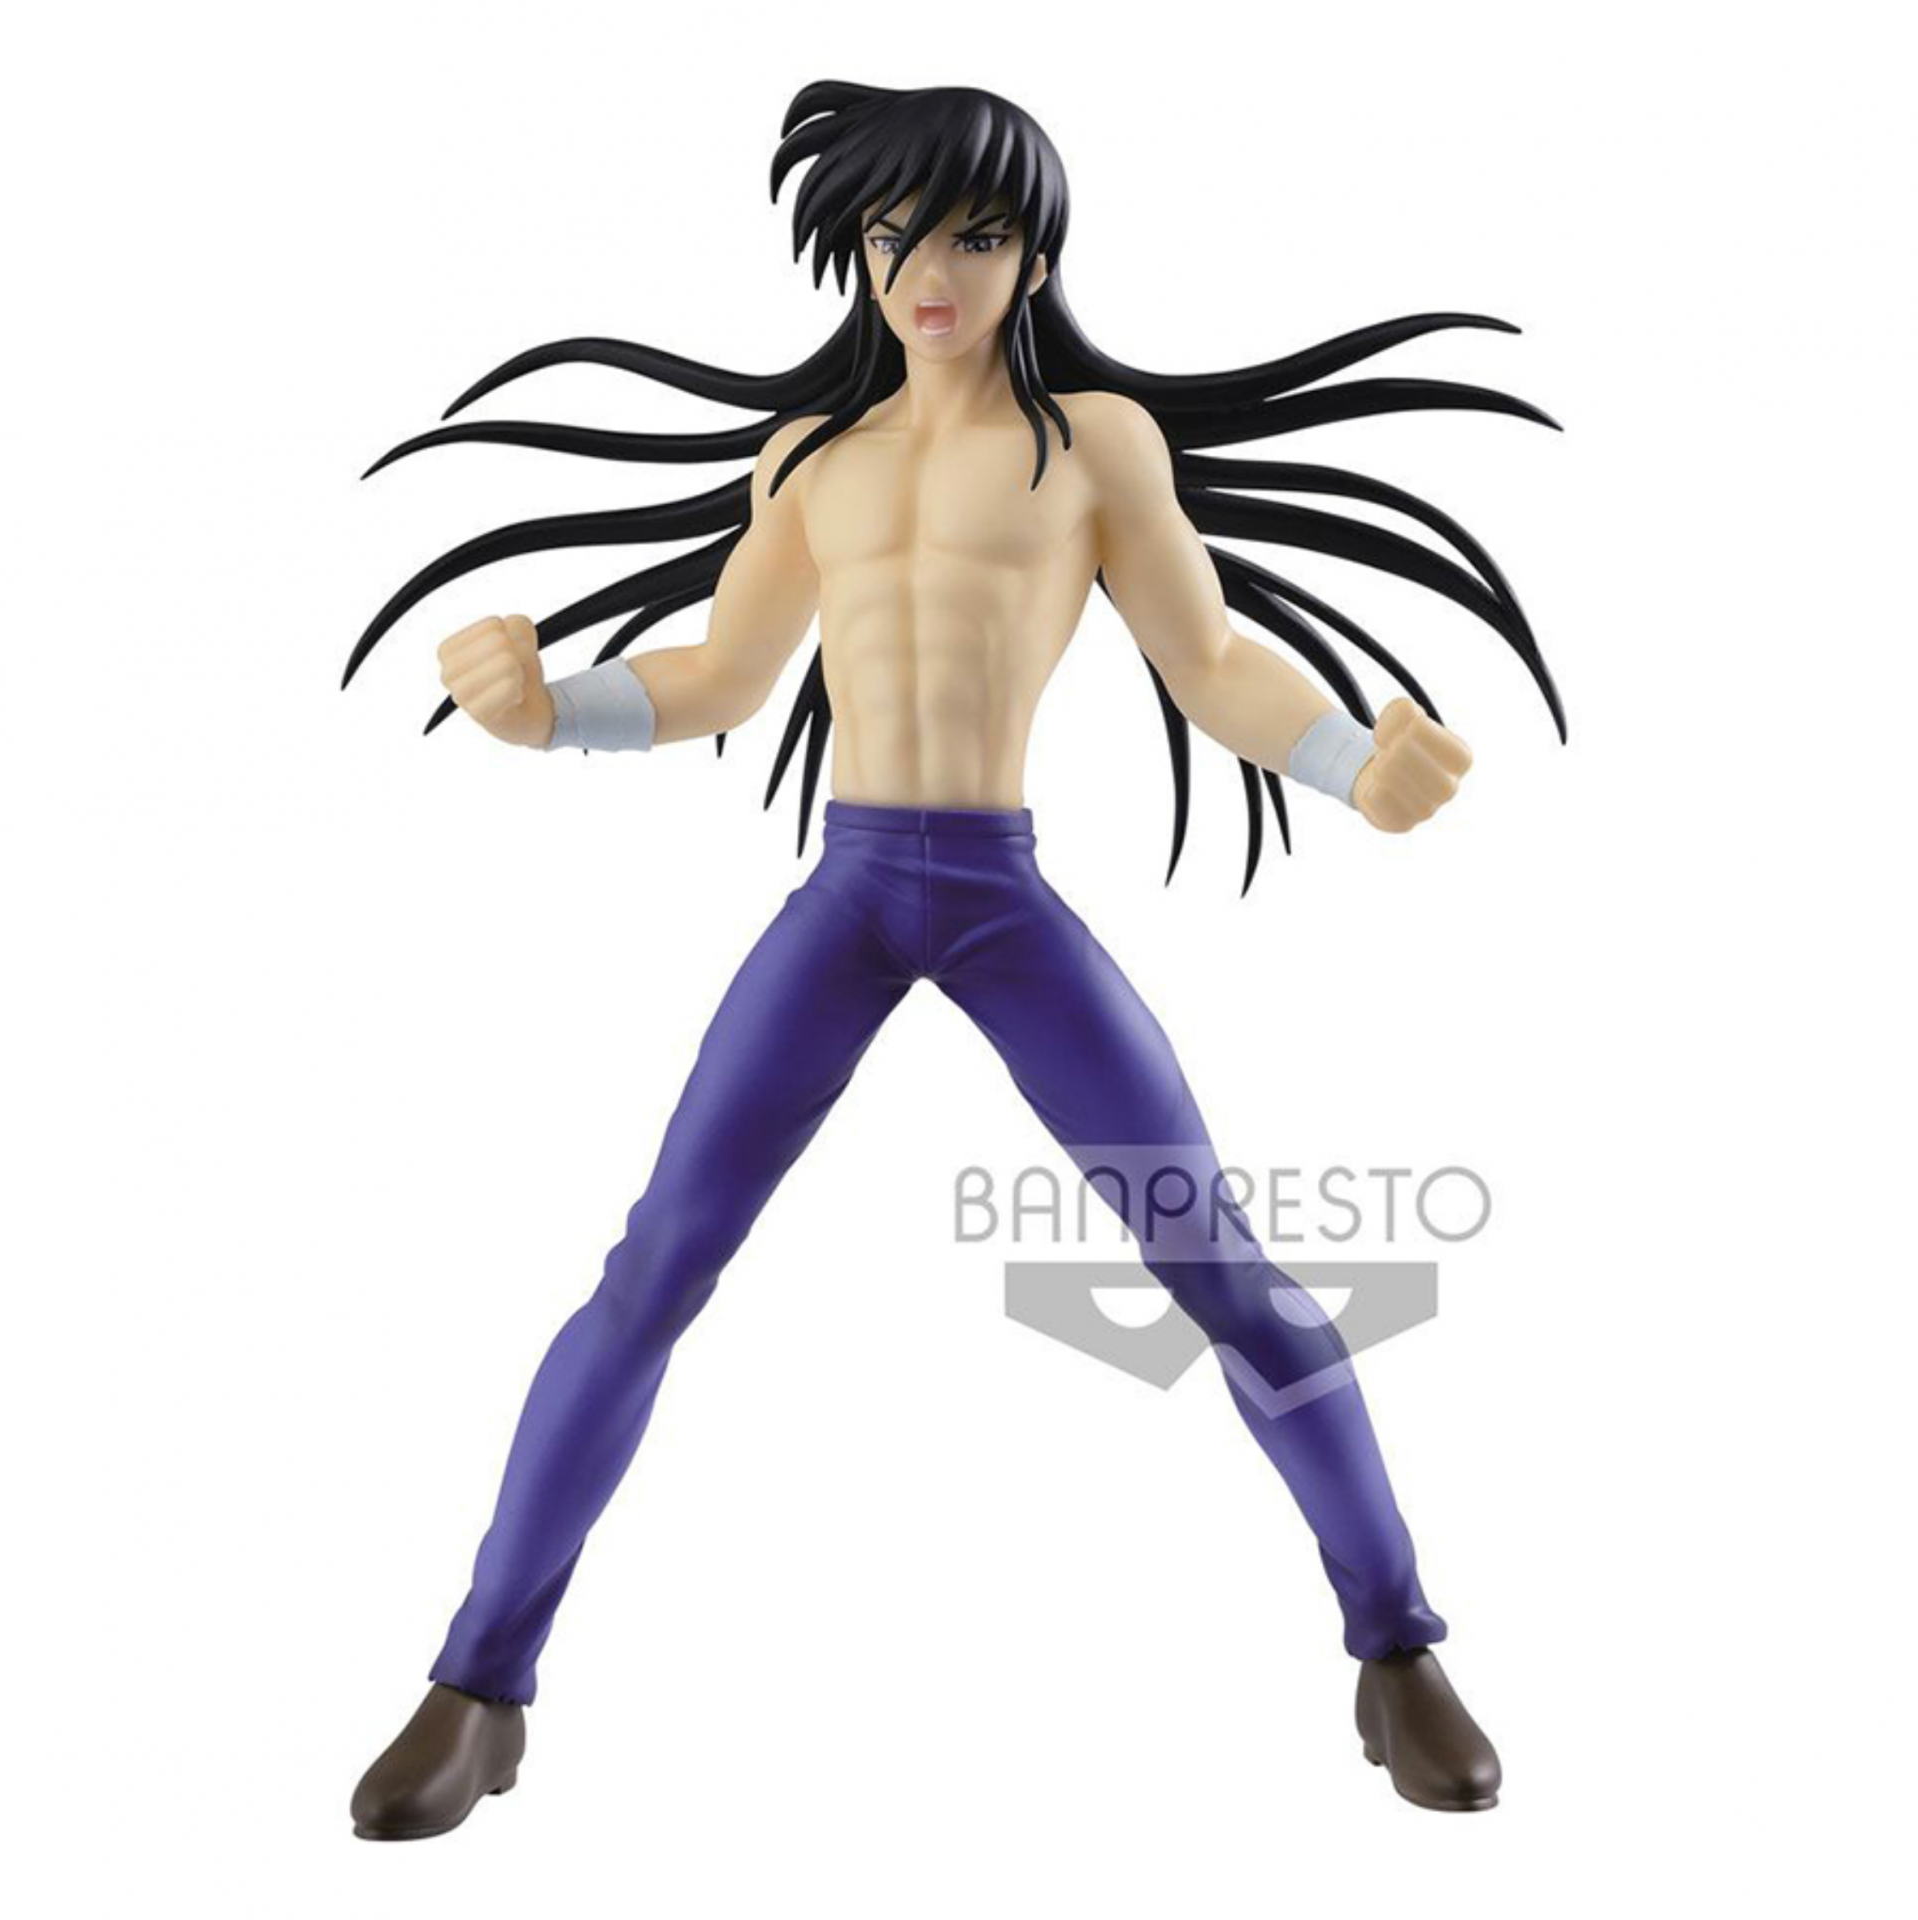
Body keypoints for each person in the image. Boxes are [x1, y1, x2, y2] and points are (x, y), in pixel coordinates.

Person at [348, 80, 1558, 1838]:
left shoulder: (1096, 447)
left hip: (996, 890)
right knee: (655, 1264)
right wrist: (552, 713)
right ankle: (477, 1686)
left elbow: (1209, 660)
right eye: (897, 232)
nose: (933, 270)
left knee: (1216, 1260)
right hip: (850, 892)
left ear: (1034, 256)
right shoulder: (813, 460)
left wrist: (1343, 761)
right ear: (855, 248)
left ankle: (1399, 1650)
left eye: (975, 234)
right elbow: (722, 677)